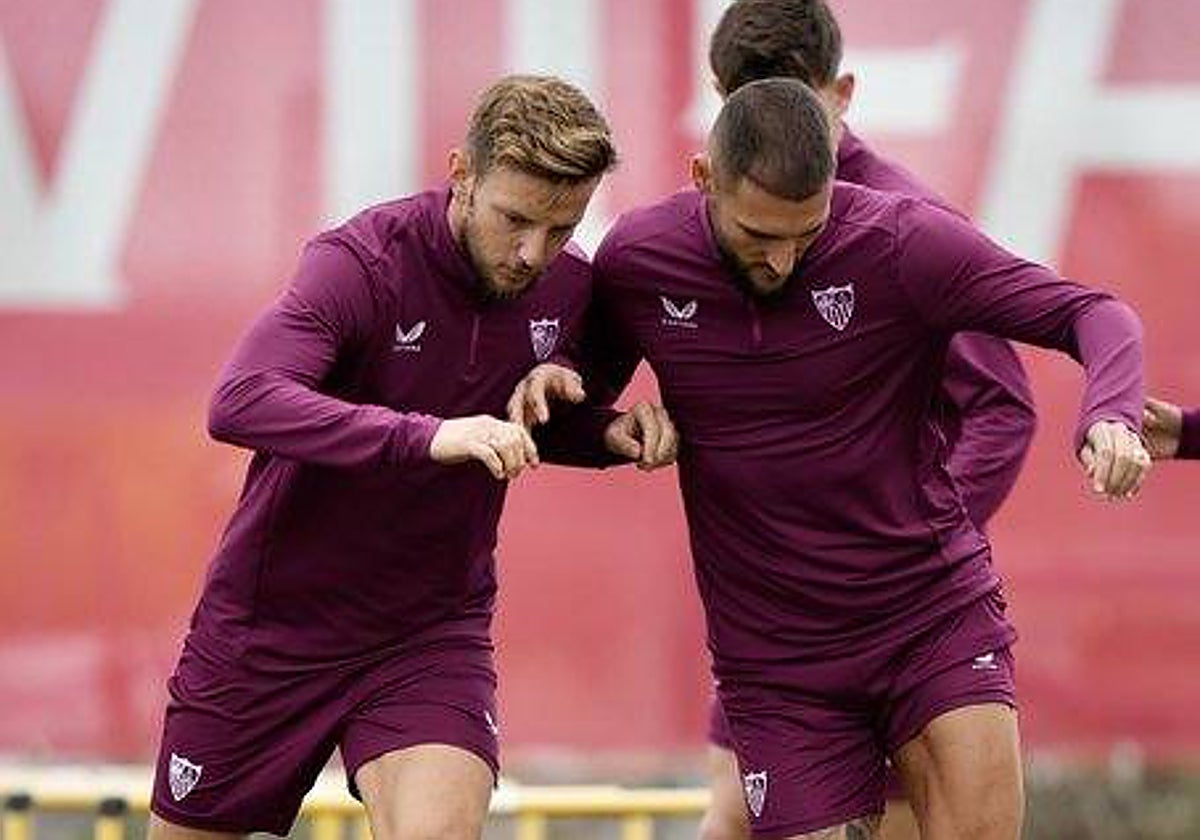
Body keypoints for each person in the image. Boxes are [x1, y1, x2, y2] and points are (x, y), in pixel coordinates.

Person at [575, 79, 1149, 839]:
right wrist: (606, 427)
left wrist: (1111, 414)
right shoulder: (639, 260)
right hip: (776, 661)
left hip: (930, 617)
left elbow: (1092, 312)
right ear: (704, 179)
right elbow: (568, 413)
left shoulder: (904, 242)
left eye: (803, 235)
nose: (781, 260)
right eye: (758, 235)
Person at [147, 74, 675, 840]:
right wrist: (427, 434)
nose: (534, 253)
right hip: (272, 628)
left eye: (562, 228)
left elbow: (529, 418)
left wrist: (604, 434)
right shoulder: (360, 262)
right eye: (515, 219)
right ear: (462, 172)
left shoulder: (567, 288)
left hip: (428, 632)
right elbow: (240, 400)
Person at [699, 2, 1037, 838]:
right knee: (731, 822)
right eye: (747, 107)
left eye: (795, 103)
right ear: (718, 99)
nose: (772, 131)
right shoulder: (717, 217)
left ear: (840, 94)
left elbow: (1001, 403)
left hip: (892, 614)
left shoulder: (905, 231)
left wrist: (897, 549)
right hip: (773, 623)